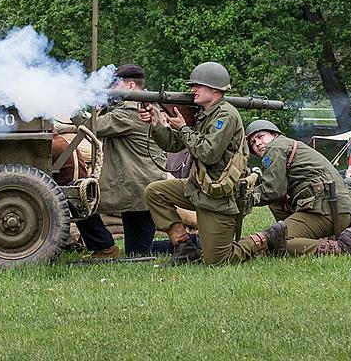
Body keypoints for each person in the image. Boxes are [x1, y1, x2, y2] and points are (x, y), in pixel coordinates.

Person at [141, 62, 248, 265]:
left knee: (216, 261)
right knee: (155, 192)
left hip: (219, 195)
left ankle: (265, 239)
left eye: (198, 85)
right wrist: (155, 123)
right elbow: (173, 144)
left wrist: (183, 128)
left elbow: (208, 153)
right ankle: (183, 246)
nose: (193, 90)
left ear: (215, 88)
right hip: (198, 187)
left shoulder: (226, 115)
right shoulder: (202, 114)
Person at [230, 120, 351, 258]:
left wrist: (246, 197)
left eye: (260, 137)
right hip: (341, 210)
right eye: (253, 143)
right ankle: (318, 237)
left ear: (274, 134)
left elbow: (273, 190)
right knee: (277, 216)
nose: (258, 143)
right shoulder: (288, 145)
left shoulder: (275, 147)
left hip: (325, 210)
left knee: (278, 240)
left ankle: (341, 248)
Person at [76, 64, 169, 258]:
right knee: (138, 251)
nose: (110, 89)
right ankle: (105, 247)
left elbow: (93, 127)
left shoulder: (132, 109)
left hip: (136, 187)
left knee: (78, 200)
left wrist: (72, 107)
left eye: (115, 84)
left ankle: (104, 248)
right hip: (135, 185)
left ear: (131, 85)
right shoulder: (137, 106)